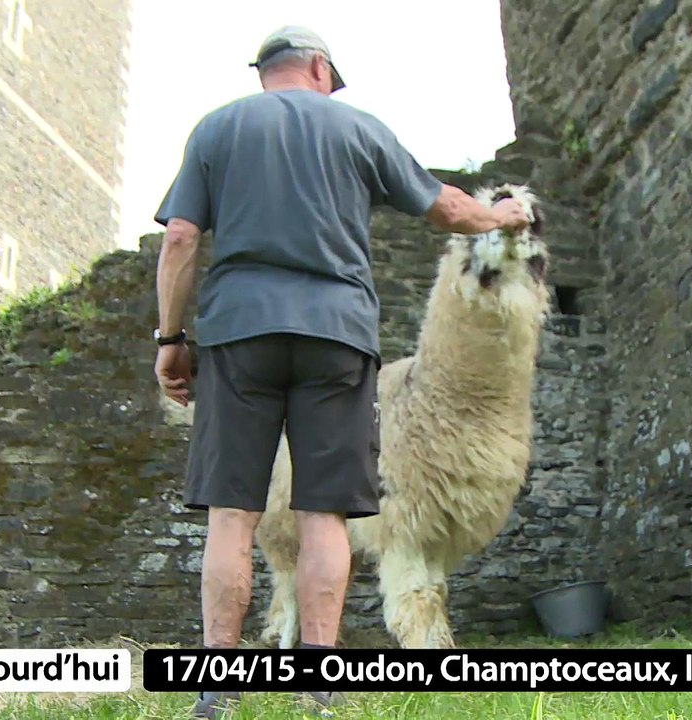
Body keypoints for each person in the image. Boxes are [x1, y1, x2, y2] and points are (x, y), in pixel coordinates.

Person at [151, 25, 531, 719]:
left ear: (264, 71)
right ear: (321, 68)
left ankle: (216, 691)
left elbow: (179, 239)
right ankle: (317, 690)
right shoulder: (358, 129)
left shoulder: (216, 129)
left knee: (233, 517)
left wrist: (170, 339)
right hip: (337, 338)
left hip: (240, 334)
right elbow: (447, 208)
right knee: (323, 516)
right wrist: (498, 217)